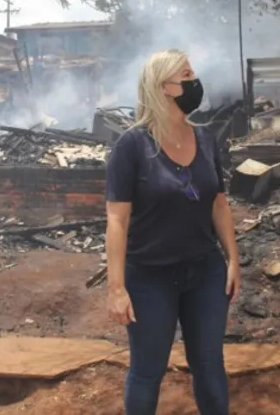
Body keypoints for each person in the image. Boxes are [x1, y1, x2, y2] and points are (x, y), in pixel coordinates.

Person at [104, 49, 242, 415]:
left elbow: (219, 203)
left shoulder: (207, 139)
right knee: (148, 371)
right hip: (149, 276)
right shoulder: (132, 146)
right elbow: (117, 220)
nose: (195, 81)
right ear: (163, 86)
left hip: (205, 272)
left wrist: (232, 259)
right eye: (186, 74)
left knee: (210, 367)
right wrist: (116, 289)